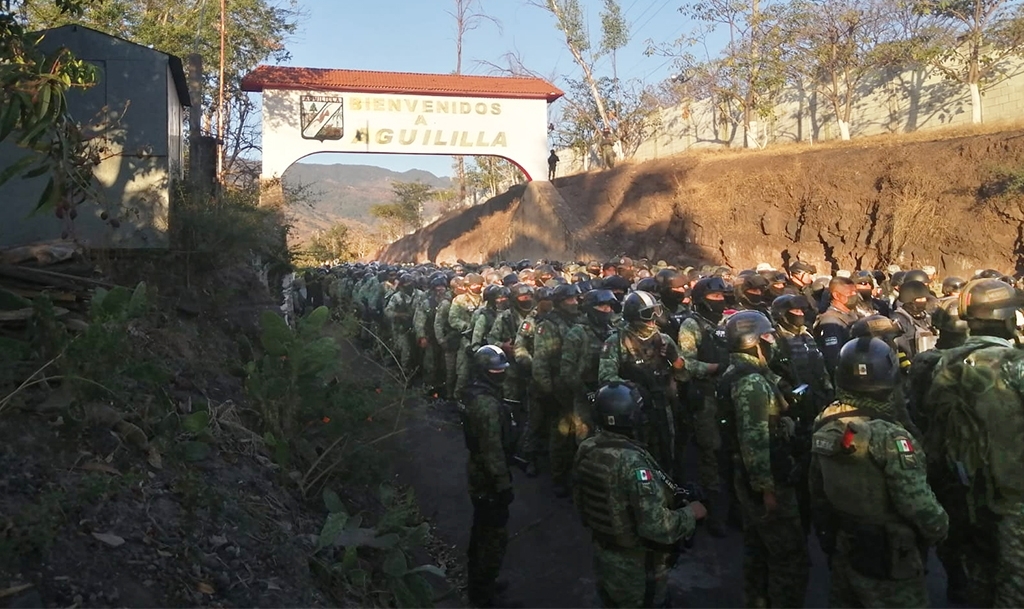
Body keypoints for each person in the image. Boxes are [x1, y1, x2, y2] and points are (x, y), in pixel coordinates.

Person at [808, 337, 949, 608]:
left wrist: (826, 535)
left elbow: (817, 488)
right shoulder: (891, 436)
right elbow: (916, 504)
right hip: (891, 558)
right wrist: (941, 530)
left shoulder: (826, 419)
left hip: (846, 546)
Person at [923, 278, 1024, 607]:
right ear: (1009, 319)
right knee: (1014, 577)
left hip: (964, 488)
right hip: (1013, 494)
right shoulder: (1014, 364)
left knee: (978, 572)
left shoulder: (945, 363)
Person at [572, 382, 707, 608]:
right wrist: (690, 514)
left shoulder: (587, 448)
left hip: (604, 555)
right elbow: (656, 527)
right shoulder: (632, 462)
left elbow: (581, 502)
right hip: (637, 568)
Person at [719, 310, 809, 608]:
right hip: (767, 477)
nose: (772, 342)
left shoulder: (744, 372)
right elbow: (754, 440)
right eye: (767, 337)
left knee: (757, 548)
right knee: (788, 557)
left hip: (750, 474)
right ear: (753, 342)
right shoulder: (751, 383)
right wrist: (766, 490)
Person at [462, 345, 517, 608]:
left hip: (481, 473)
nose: (500, 374)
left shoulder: (481, 395)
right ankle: (483, 594)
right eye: (495, 371)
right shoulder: (485, 404)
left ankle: (481, 583)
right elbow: (492, 449)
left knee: (482, 532)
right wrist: (503, 484)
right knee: (492, 538)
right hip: (488, 478)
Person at [533, 283, 583, 497]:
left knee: (581, 433)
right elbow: (541, 361)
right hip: (558, 385)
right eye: (570, 300)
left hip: (577, 384)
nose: (574, 303)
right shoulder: (548, 325)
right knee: (561, 434)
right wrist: (547, 389)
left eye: (575, 299)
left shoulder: (579, 320)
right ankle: (558, 477)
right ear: (560, 302)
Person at [813, 277, 862, 377]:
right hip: (846, 378)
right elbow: (833, 359)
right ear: (836, 295)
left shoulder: (852, 315)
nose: (854, 295)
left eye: (855, 292)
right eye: (850, 293)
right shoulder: (830, 321)